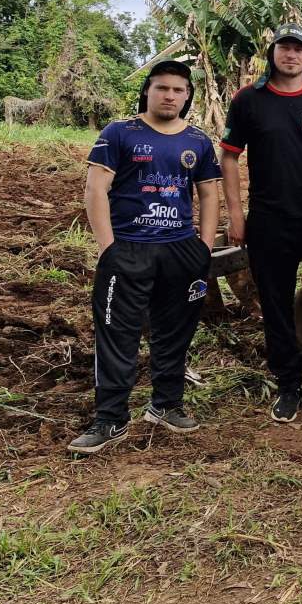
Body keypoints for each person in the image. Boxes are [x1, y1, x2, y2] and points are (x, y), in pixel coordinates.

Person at [68, 61, 221, 454]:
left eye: (178, 90)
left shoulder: (198, 141)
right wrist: (109, 248)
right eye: (162, 88)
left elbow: (208, 194)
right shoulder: (119, 133)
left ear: (188, 96)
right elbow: (95, 191)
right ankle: (111, 418)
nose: (170, 95)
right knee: (118, 332)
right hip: (129, 248)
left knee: (175, 330)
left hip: (180, 249)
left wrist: (202, 245)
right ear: (148, 91)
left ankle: (166, 404)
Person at [221, 23, 302, 423]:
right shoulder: (249, 100)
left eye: (298, 49)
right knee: (276, 306)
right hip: (270, 221)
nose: (290, 55)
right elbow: (229, 157)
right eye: (283, 48)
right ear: (272, 53)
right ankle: (288, 386)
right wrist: (237, 215)